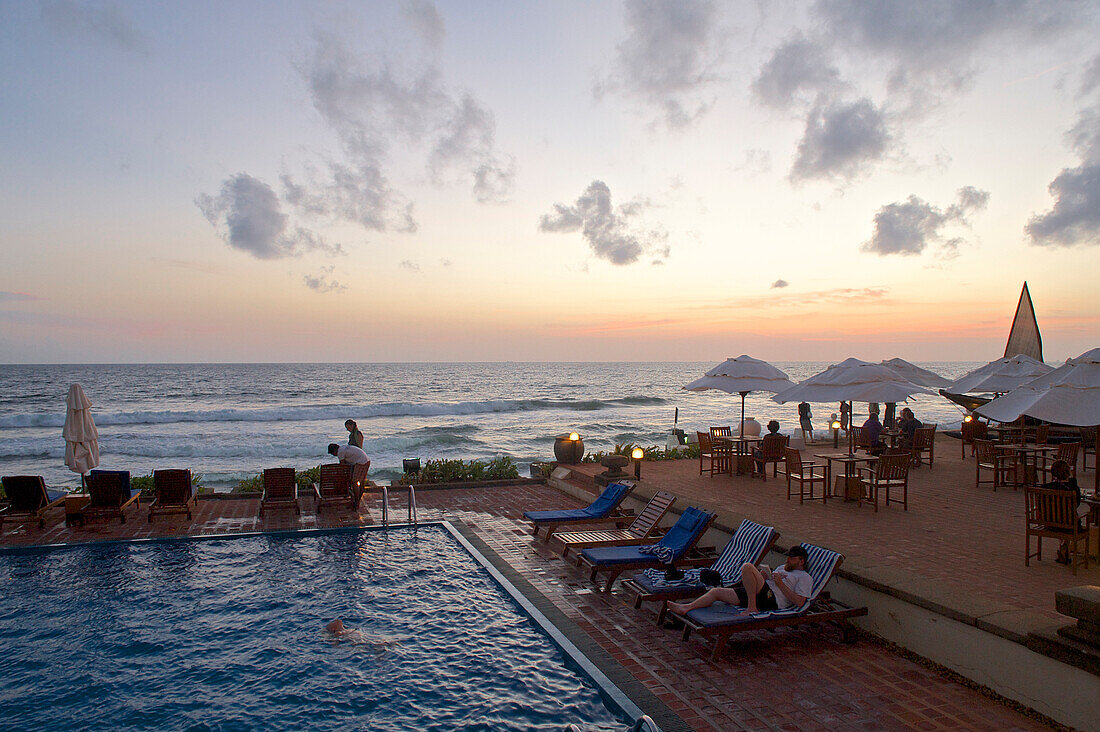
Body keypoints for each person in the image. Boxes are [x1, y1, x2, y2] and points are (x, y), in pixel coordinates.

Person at [668, 545, 813, 618]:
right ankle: (686, 608)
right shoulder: (783, 567)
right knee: (716, 591)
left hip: (771, 600)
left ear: (802, 561)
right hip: (760, 593)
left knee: (747, 567)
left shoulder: (804, 577)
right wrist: (764, 577)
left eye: (792, 558)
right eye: (788, 557)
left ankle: (752, 607)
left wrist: (780, 584)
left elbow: (800, 602)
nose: (788, 560)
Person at [1042, 460, 1084, 564]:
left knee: (1061, 517)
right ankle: (1065, 545)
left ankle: (1062, 545)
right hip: (1069, 524)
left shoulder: (1046, 488)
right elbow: (1076, 504)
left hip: (1050, 523)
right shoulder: (1073, 488)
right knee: (1070, 518)